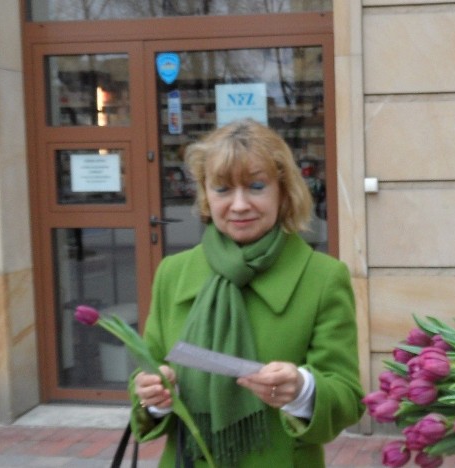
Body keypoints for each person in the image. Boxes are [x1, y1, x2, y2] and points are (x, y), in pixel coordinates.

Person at [130, 119, 364, 467]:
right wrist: (155, 396)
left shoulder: (323, 278)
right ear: (206, 194)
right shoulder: (173, 274)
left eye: (256, 186)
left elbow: (347, 399)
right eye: (222, 189)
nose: (239, 205)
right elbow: (147, 375)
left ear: (284, 192)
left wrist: (303, 390)